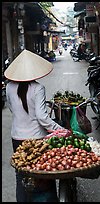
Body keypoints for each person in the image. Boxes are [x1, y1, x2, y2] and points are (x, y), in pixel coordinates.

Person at [4, 49, 70, 202]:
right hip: (37, 139)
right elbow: (42, 117)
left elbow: (12, 109)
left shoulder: (9, 87)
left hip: (17, 137)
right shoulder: (38, 88)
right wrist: (61, 130)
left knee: (21, 174)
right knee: (43, 174)